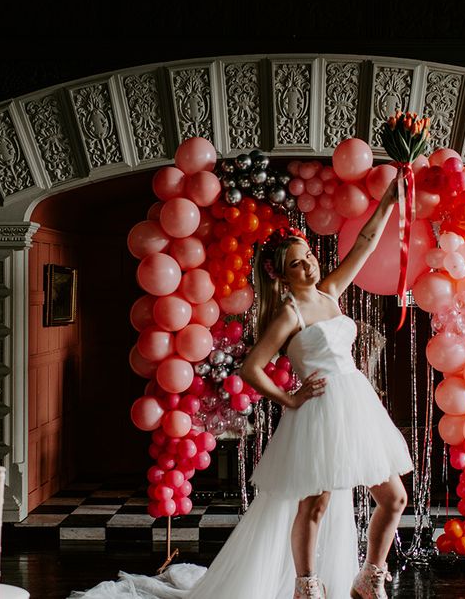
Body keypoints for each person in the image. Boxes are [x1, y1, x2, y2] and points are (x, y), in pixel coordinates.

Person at [71, 178, 412, 599]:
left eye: (307, 256)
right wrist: (290, 398)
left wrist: (390, 201)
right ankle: (307, 588)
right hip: (321, 409)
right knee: (316, 505)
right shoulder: (289, 314)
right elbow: (252, 368)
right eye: (296, 263)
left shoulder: (331, 292)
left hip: (356, 404)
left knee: (394, 497)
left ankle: (368, 576)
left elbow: (365, 242)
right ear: (282, 277)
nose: (308, 265)